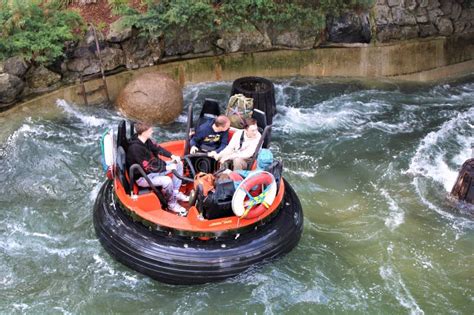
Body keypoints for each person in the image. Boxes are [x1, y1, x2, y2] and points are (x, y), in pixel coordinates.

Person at [126, 122, 188, 215]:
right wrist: (166, 167)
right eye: (150, 130)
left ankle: (175, 192)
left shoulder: (146, 140)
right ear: (144, 132)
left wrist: (172, 156)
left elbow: (158, 148)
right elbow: (148, 167)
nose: (152, 131)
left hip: (154, 169)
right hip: (143, 177)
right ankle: (171, 203)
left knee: (178, 164)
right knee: (167, 181)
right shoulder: (135, 149)